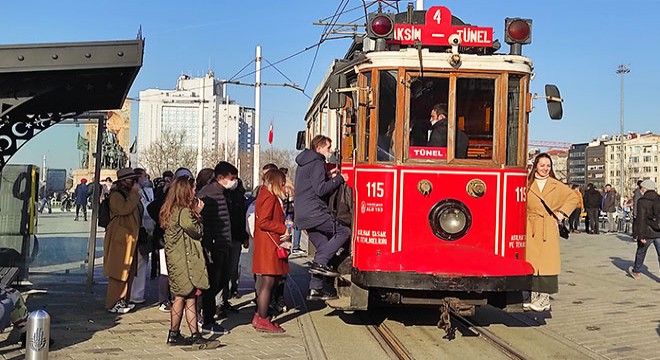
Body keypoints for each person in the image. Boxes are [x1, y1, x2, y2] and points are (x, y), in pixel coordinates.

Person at [159, 175, 219, 348]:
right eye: (193, 189)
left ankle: (183, 334)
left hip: (176, 259)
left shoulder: (170, 208)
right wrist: (198, 214)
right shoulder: (184, 211)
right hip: (183, 261)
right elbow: (196, 232)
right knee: (184, 296)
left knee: (185, 296)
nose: (195, 191)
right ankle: (184, 334)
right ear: (185, 190)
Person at [294, 135, 350, 301]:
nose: (330, 151)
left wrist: (327, 175)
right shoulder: (318, 162)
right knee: (343, 232)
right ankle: (319, 264)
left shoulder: (305, 162)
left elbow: (312, 184)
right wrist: (340, 179)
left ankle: (315, 289)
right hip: (315, 213)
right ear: (318, 148)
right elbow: (320, 190)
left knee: (325, 248)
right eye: (328, 147)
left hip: (303, 215)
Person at [525, 153, 579, 312]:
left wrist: (561, 214)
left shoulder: (556, 184)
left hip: (548, 225)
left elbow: (573, 198)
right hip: (530, 225)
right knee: (532, 261)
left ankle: (545, 298)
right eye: (542, 165)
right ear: (535, 166)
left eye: (548, 165)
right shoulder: (527, 183)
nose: (545, 168)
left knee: (547, 263)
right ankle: (534, 295)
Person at [197, 163, 234, 335]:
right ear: (221, 178)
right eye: (231, 178)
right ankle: (207, 319)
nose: (233, 182)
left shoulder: (222, 193)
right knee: (212, 284)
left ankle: (206, 315)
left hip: (223, 243)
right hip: (214, 246)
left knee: (220, 281)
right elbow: (204, 222)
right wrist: (209, 244)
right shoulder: (209, 194)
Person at [252, 169, 291, 332]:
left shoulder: (264, 194)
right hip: (269, 246)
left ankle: (260, 316)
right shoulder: (269, 197)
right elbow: (265, 222)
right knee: (268, 282)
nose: (284, 186)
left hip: (267, 245)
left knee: (269, 281)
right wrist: (283, 228)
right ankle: (262, 318)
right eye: (282, 183)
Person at [103, 168, 142, 313]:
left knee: (129, 271)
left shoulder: (129, 193)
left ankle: (124, 300)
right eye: (129, 179)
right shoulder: (116, 195)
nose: (132, 182)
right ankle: (113, 302)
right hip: (120, 237)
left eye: (133, 179)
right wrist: (134, 194)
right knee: (118, 271)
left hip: (130, 238)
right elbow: (124, 209)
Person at [130, 168, 155, 305]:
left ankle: (138, 293)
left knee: (143, 262)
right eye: (144, 176)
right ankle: (135, 294)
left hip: (147, 229)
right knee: (138, 262)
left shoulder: (146, 190)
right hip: (139, 230)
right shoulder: (135, 192)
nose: (146, 178)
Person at [627, 180, 660, 279]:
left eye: (642, 188)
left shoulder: (642, 201)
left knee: (641, 251)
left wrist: (640, 235)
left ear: (645, 189)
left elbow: (640, 219)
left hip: (647, 232)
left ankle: (636, 271)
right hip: (659, 231)